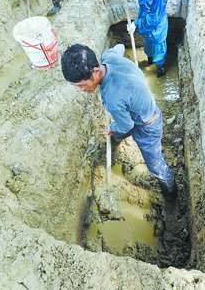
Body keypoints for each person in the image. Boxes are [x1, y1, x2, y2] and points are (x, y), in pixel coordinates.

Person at [61, 43, 177, 199]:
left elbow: (127, 125)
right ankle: (116, 140)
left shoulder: (113, 96)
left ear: (95, 72)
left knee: (155, 165)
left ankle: (170, 189)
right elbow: (120, 46)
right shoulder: (108, 58)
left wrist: (112, 127)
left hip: (147, 125)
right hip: (138, 108)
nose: (81, 90)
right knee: (118, 130)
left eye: (82, 85)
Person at [117, 0, 168, 77]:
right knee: (148, 48)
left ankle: (160, 69)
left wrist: (136, 23)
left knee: (158, 52)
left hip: (156, 30)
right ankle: (150, 61)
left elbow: (153, 20)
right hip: (146, 28)